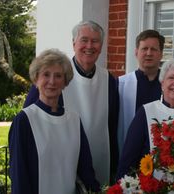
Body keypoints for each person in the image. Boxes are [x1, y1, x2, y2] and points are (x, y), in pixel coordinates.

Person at [23, 20, 119, 185]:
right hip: (59, 164)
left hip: (99, 161)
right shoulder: (57, 75)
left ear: (101, 47)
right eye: (84, 40)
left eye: (95, 41)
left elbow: (113, 124)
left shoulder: (108, 80)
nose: (89, 46)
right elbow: (32, 121)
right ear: (73, 43)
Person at [9, 49, 100, 194]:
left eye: (58, 76)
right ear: (36, 79)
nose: (52, 81)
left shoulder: (74, 120)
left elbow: (85, 168)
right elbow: (19, 175)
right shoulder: (24, 120)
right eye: (46, 74)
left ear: (65, 82)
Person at [117, 29, 165, 154]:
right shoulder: (121, 84)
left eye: (154, 49)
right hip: (130, 152)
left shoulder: (169, 85)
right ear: (136, 52)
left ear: (161, 54)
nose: (149, 53)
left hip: (162, 155)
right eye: (144, 49)